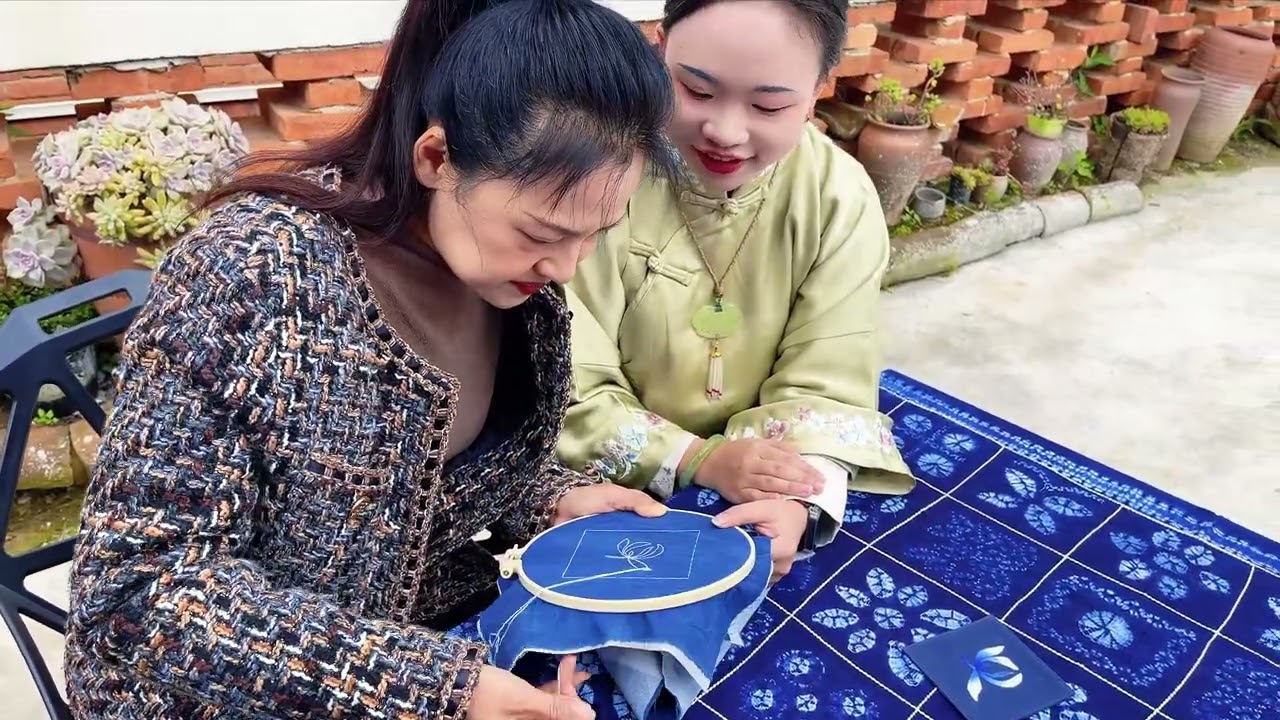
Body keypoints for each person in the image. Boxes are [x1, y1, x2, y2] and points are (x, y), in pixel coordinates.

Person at [62, 1, 679, 719]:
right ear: (437, 159)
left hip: (427, 640)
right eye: (543, 232)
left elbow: (428, 480)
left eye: (595, 233)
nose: (567, 267)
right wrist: (437, 690)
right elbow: (134, 592)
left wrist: (549, 499)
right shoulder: (254, 276)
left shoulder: (509, 283)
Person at [556, 0, 917, 583]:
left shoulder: (837, 197)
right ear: (659, 49)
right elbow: (566, 375)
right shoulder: (598, 172)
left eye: (769, 105)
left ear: (820, 88)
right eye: (695, 90)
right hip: (602, 473)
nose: (725, 132)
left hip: (762, 467)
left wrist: (793, 498)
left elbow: (827, 373)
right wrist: (697, 457)